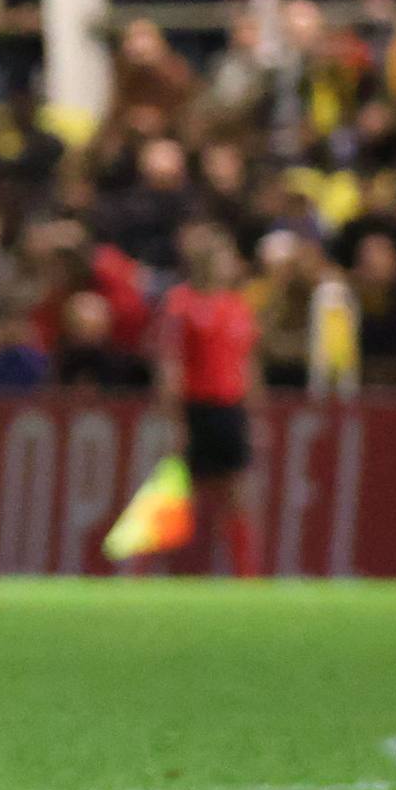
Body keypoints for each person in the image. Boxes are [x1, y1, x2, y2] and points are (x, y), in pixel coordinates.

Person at [158, 222, 262, 576]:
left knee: (235, 494)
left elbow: (247, 362)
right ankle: (162, 568)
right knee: (183, 494)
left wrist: (253, 413)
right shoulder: (181, 304)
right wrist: (175, 418)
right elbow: (172, 363)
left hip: (229, 409)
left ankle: (245, 574)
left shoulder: (237, 306)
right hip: (198, 408)